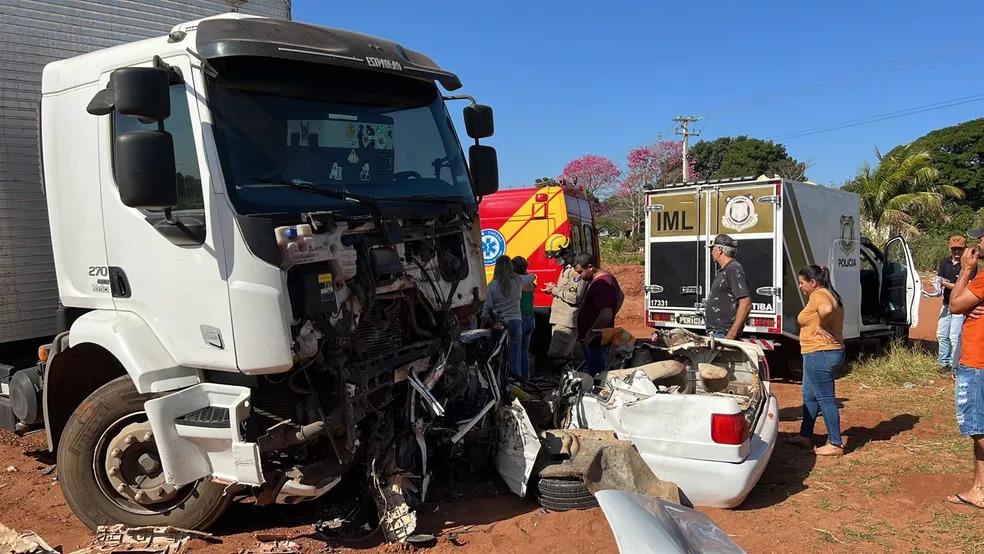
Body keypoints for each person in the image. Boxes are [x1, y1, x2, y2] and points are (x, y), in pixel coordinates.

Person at [787, 265, 846, 457]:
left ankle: (835, 443)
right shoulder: (829, 293)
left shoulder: (819, 295)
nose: (800, 286)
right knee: (810, 395)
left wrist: (820, 325)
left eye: (803, 282)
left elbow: (826, 310)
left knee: (825, 398)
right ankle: (805, 435)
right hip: (822, 352)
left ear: (813, 282)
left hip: (819, 353)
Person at [944, 232, 984, 509]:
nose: (977, 245)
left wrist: (966, 271)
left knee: (979, 429)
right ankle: (979, 490)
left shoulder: (980, 277)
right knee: (980, 430)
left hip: (978, 362)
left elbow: (955, 305)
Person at [573, 253, 623, 376]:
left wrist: (590, 333)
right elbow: (621, 296)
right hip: (599, 337)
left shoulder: (601, 284)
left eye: (581, 272)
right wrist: (612, 313)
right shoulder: (608, 277)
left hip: (596, 340)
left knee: (597, 376)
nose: (579, 276)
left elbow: (606, 314)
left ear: (591, 267)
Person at [542, 236, 583, 368]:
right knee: (564, 356)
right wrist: (554, 288)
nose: (555, 260)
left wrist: (555, 290)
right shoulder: (566, 269)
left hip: (566, 321)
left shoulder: (575, 271)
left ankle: (564, 385)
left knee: (557, 356)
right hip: (560, 319)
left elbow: (574, 297)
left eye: (556, 256)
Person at [481, 256, 525, 381]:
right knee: (515, 356)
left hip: (500, 326)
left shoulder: (493, 285)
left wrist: (481, 326)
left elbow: (486, 310)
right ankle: (517, 385)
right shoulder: (518, 282)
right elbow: (531, 277)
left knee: (500, 359)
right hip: (517, 323)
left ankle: (502, 385)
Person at [938, 236, 976, 375]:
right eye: (954, 249)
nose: (957, 252)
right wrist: (941, 284)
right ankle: (943, 363)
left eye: (960, 249)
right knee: (942, 334)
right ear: (950, 249)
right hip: (946, 303)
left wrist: (946, 284)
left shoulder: (969, 265)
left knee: (955, 336)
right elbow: (940, 280)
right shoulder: (944, 262)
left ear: (965, 249)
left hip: (960, 306)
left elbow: (965, 286)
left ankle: (955, 366)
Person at [705, 234, 751, 339]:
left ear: (720, 250)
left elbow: (746, 303)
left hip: (724, 333)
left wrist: (732, 333)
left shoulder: (733, 268)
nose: (711, 252)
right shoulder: (725, 270)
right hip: (717, 332)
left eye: (712, 249)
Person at [511, 256, 537, 381]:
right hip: (530, 318)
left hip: (519, 318)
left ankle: (517, 382)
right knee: (524, 353)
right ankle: (526, 380)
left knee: (515, 353)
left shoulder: (517, 281)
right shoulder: (529, 281)